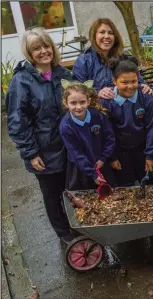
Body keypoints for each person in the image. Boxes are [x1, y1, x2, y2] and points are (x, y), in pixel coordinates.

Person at [6, 27, 73, 244]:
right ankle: (64, 235)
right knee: (53, 195)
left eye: (46, 46)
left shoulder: (63, 74)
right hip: (44, 151)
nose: (44, 51)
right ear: (29, 52)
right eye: (37, 48)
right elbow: (17, 121)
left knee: (71, 190)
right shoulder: (22, 81)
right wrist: (31, 153)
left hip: (68, 147)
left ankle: (77, 228)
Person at [101, 56, 153, 186]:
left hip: (141, 149)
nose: (130, 86)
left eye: (134, 81)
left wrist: (151, 155)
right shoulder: (107, 101)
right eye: (124, 82)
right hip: (119, 151)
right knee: (125, 186)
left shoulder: (146, 98)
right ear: (114, 81)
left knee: (148, 184)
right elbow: (106, 132)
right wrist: (112, 157)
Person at [72, 18, 153, 98]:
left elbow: (137, 80)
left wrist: (144, 85)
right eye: (102, 32)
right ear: (94, 36)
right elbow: (77, 90)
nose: (107, 36)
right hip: (97, 107)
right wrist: (97, 93)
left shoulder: (123, 58)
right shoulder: (83, 61)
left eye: (110, 33)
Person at [59, 80, 117, 190]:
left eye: (82, 102)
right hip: (81, 169)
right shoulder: (66, 126)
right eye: (73, 103)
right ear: (66, 103)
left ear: (88, 101)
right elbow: (76, 153)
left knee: (109, 194)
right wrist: (92, 173)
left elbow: (109, 137)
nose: (79, 107)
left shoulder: (97, 116)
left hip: (101, 162)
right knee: (86, 198)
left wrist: (104, 157)